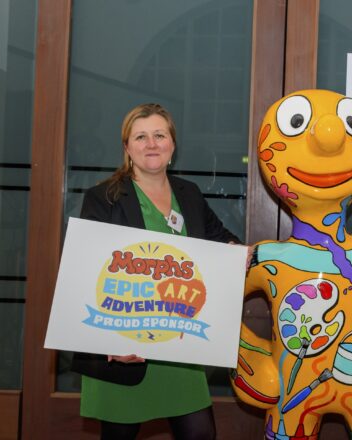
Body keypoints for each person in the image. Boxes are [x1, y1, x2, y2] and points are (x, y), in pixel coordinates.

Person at [71, 103, 239, 440]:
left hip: (180, 347)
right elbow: (85, 273)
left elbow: (221, 239)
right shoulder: (103, 197)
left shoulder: (188, 194)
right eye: (141, 136)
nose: (151, 143)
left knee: (201, 434)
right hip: (126, 349)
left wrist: (238, 253)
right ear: (127, 147)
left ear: (172, 145)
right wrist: (108, 342)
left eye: (159, 135)